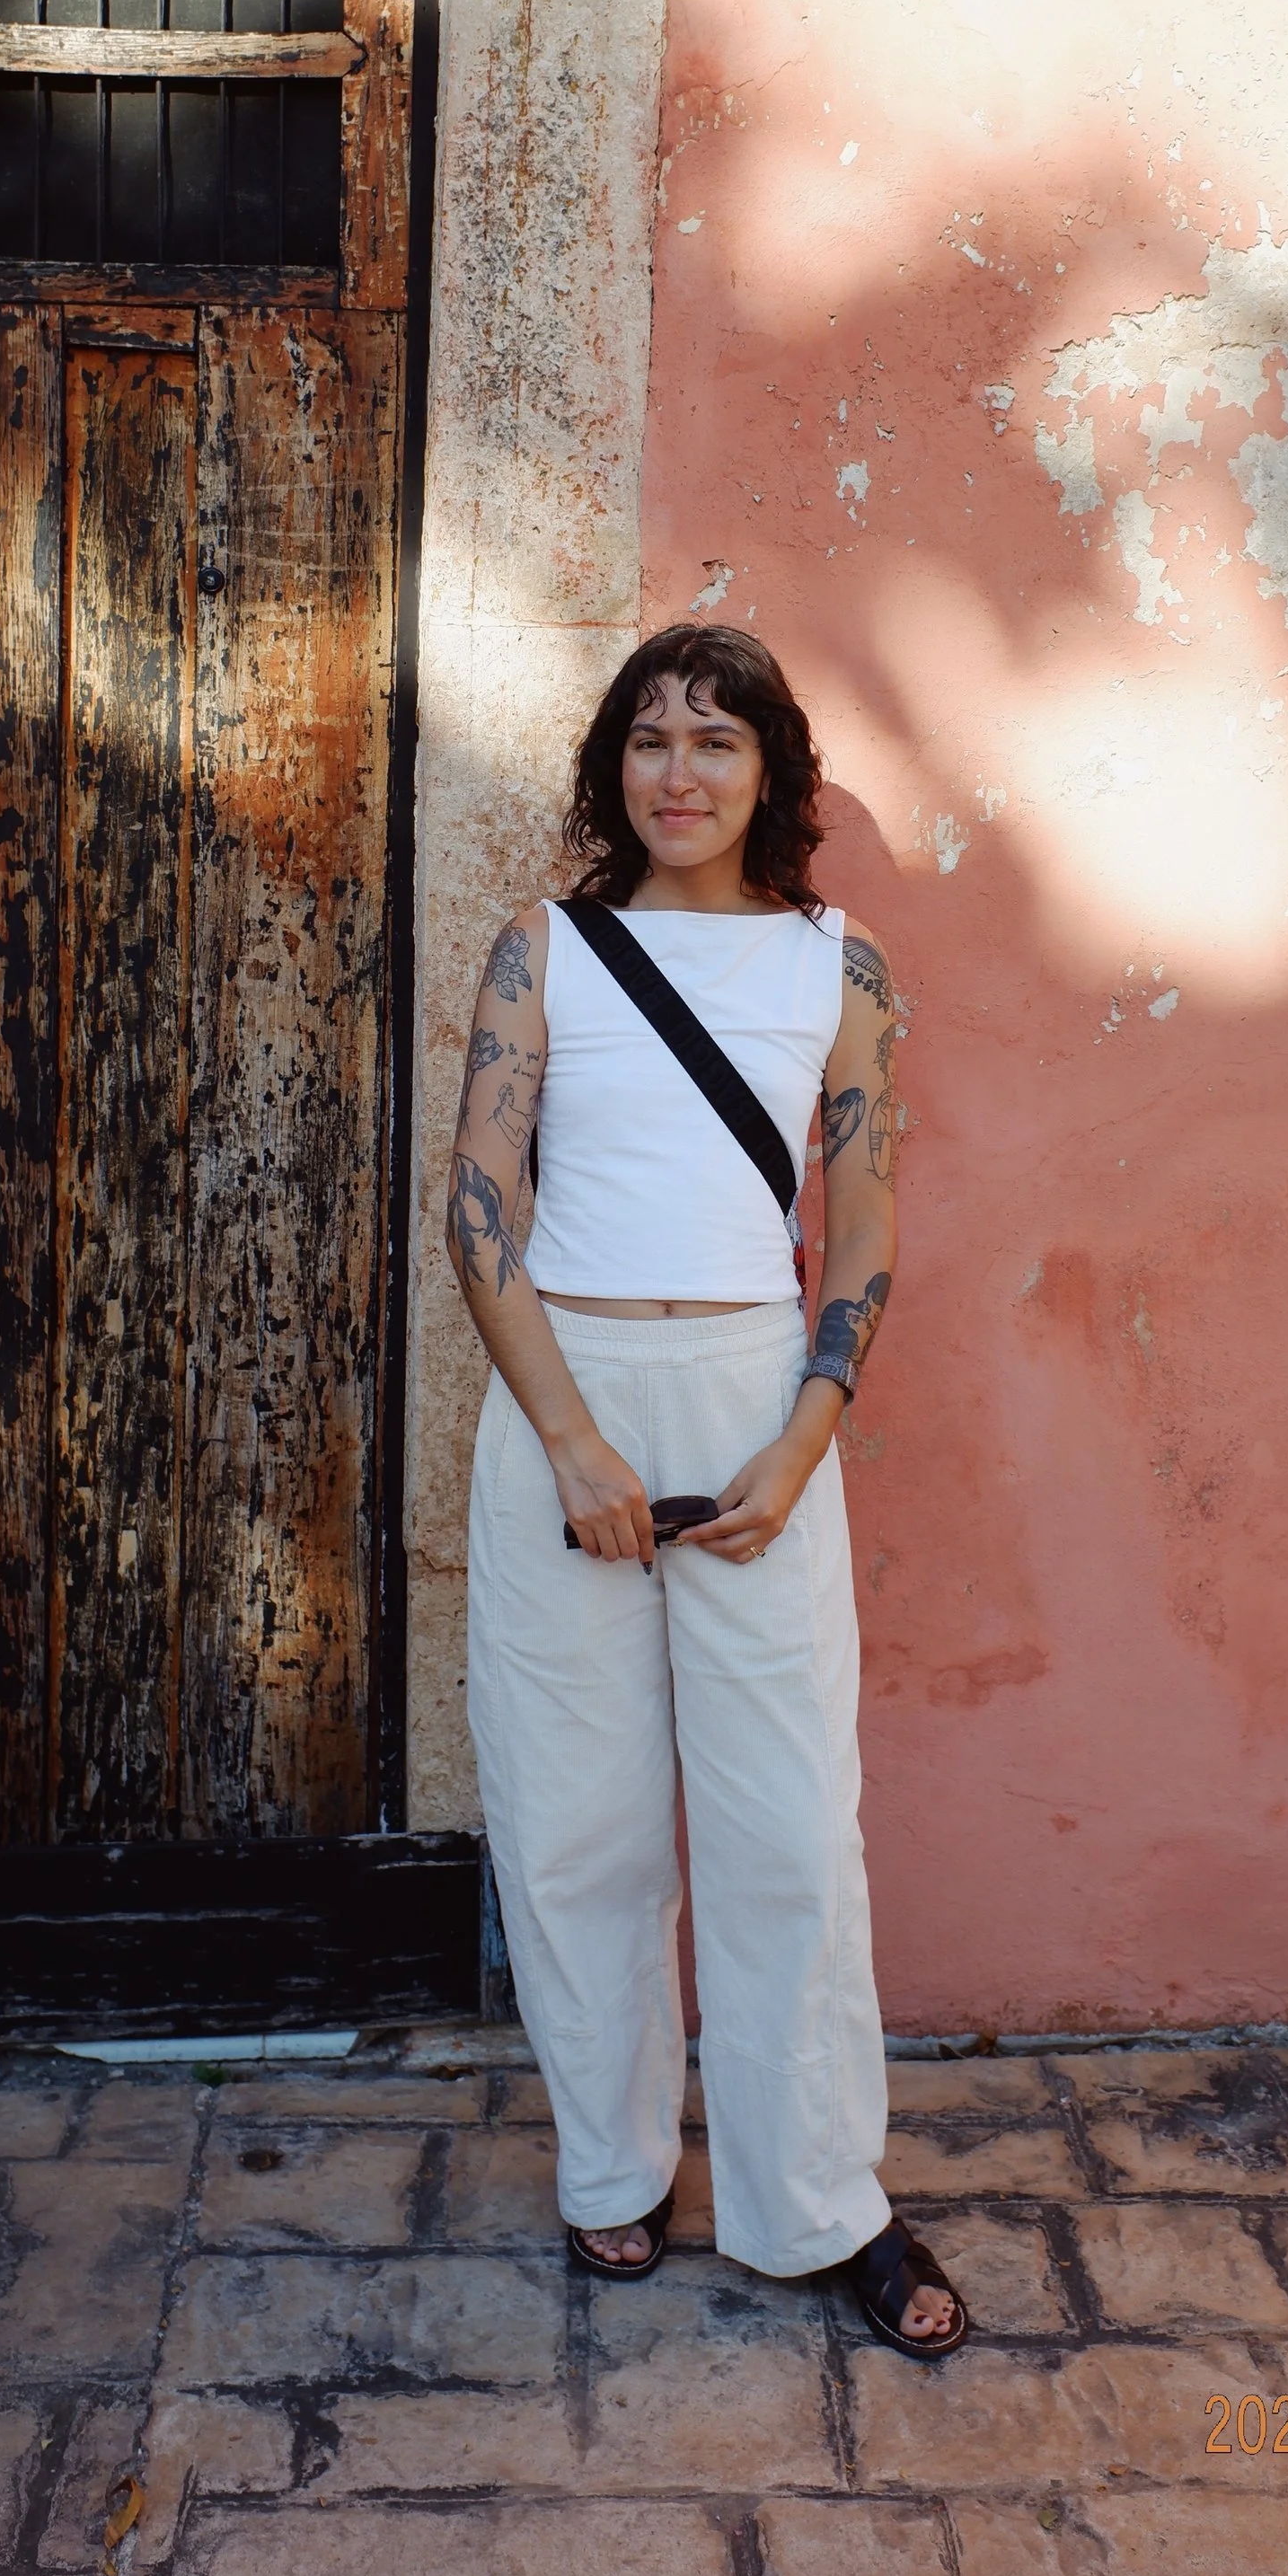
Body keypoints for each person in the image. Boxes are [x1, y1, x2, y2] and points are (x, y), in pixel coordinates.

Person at [445, 622, 967, 2358]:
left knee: (789, 1828)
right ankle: (612, 2173)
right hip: (564, 1400)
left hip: (757, 1401)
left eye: (717, 743)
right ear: (614, 768)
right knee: (575, 1821)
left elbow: (865, 1211)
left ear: (771, 775)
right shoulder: (545, 954)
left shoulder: (842, 964)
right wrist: (576, 1442)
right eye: (651, 740)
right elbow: (479, 1212)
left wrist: (807, 1425)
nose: (679, 773)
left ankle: (821, 2198)